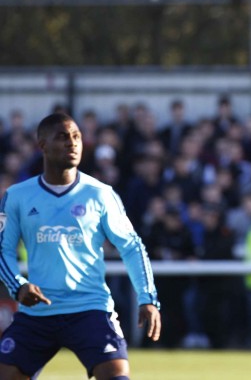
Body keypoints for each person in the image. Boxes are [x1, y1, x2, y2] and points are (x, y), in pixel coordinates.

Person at [0, 113, 161, 380]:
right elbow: (2, 250)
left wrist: (148, 297)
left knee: (117, 375)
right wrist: (18, 286)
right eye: (62, 137)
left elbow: (132, 246)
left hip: (90, 308)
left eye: (76, 137)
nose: (72, 143)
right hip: (38, 311)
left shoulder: (101, 194)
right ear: (42, 145)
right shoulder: (17, 196)